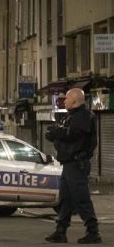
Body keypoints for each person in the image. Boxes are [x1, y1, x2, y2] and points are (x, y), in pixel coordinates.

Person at [44, 88, 102, 244]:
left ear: (75, 101)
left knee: (81, 198)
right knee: (66, 199)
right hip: (69, 163)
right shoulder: (72, 116)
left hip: (76, 164)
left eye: (67, 98)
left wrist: (56, 133)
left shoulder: (83, 116)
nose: (64, 101)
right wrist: (56, 133)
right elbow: (63, 133)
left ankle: (93, 231)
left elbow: (72, 135)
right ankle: (60, 231)